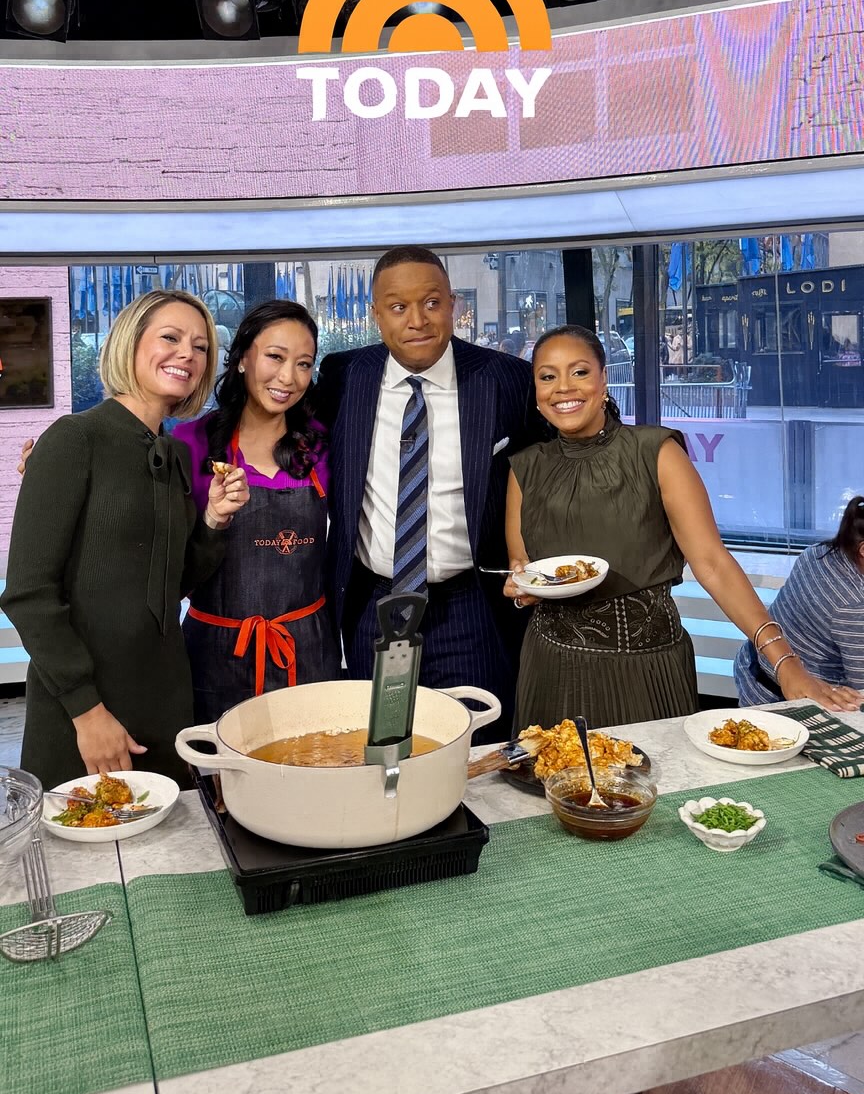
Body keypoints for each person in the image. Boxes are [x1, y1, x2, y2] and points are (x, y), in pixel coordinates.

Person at [504, 325, 863, 733]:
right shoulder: (524, 469)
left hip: (647, 669)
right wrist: (521, 588)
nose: (563, 388)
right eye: (548, 376)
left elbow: (712, 564)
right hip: (552, 667)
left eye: (579, 372)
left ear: (604, 379)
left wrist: (786, 664)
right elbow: (523, 567)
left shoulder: (656, 452)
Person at [2, 291, 249, 789]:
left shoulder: (176, 455)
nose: (187, 354)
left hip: (164, 700)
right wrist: (87, 711)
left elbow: (173, 584)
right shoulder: (73, 439)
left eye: (201, 347)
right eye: (171, 338)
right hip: (83, 711)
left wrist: (214, 521)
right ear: (130, 343)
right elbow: (29, 594)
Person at [316, 245, 546, 727]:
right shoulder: (344, 377)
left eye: (432, 303)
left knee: (477, 746)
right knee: (384, 744)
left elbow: (550, 470)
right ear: (376, 314)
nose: (417, 320)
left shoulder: (505, 379)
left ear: (453, 304)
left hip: (471, 607)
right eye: (398, 306)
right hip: (374, 606)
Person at [174, 299, 341, 722]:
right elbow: (169, 563)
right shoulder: (190, 444)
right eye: (275, 357)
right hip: (216, 654)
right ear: (242, 358)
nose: (288, 377)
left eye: (304, 364)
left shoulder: (322, 445)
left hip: (307, 651)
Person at [735, 496, 864, 705]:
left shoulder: (818, 552)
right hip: (788, 698)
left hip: (752, 665)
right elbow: (861, 690)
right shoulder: (853, 605)